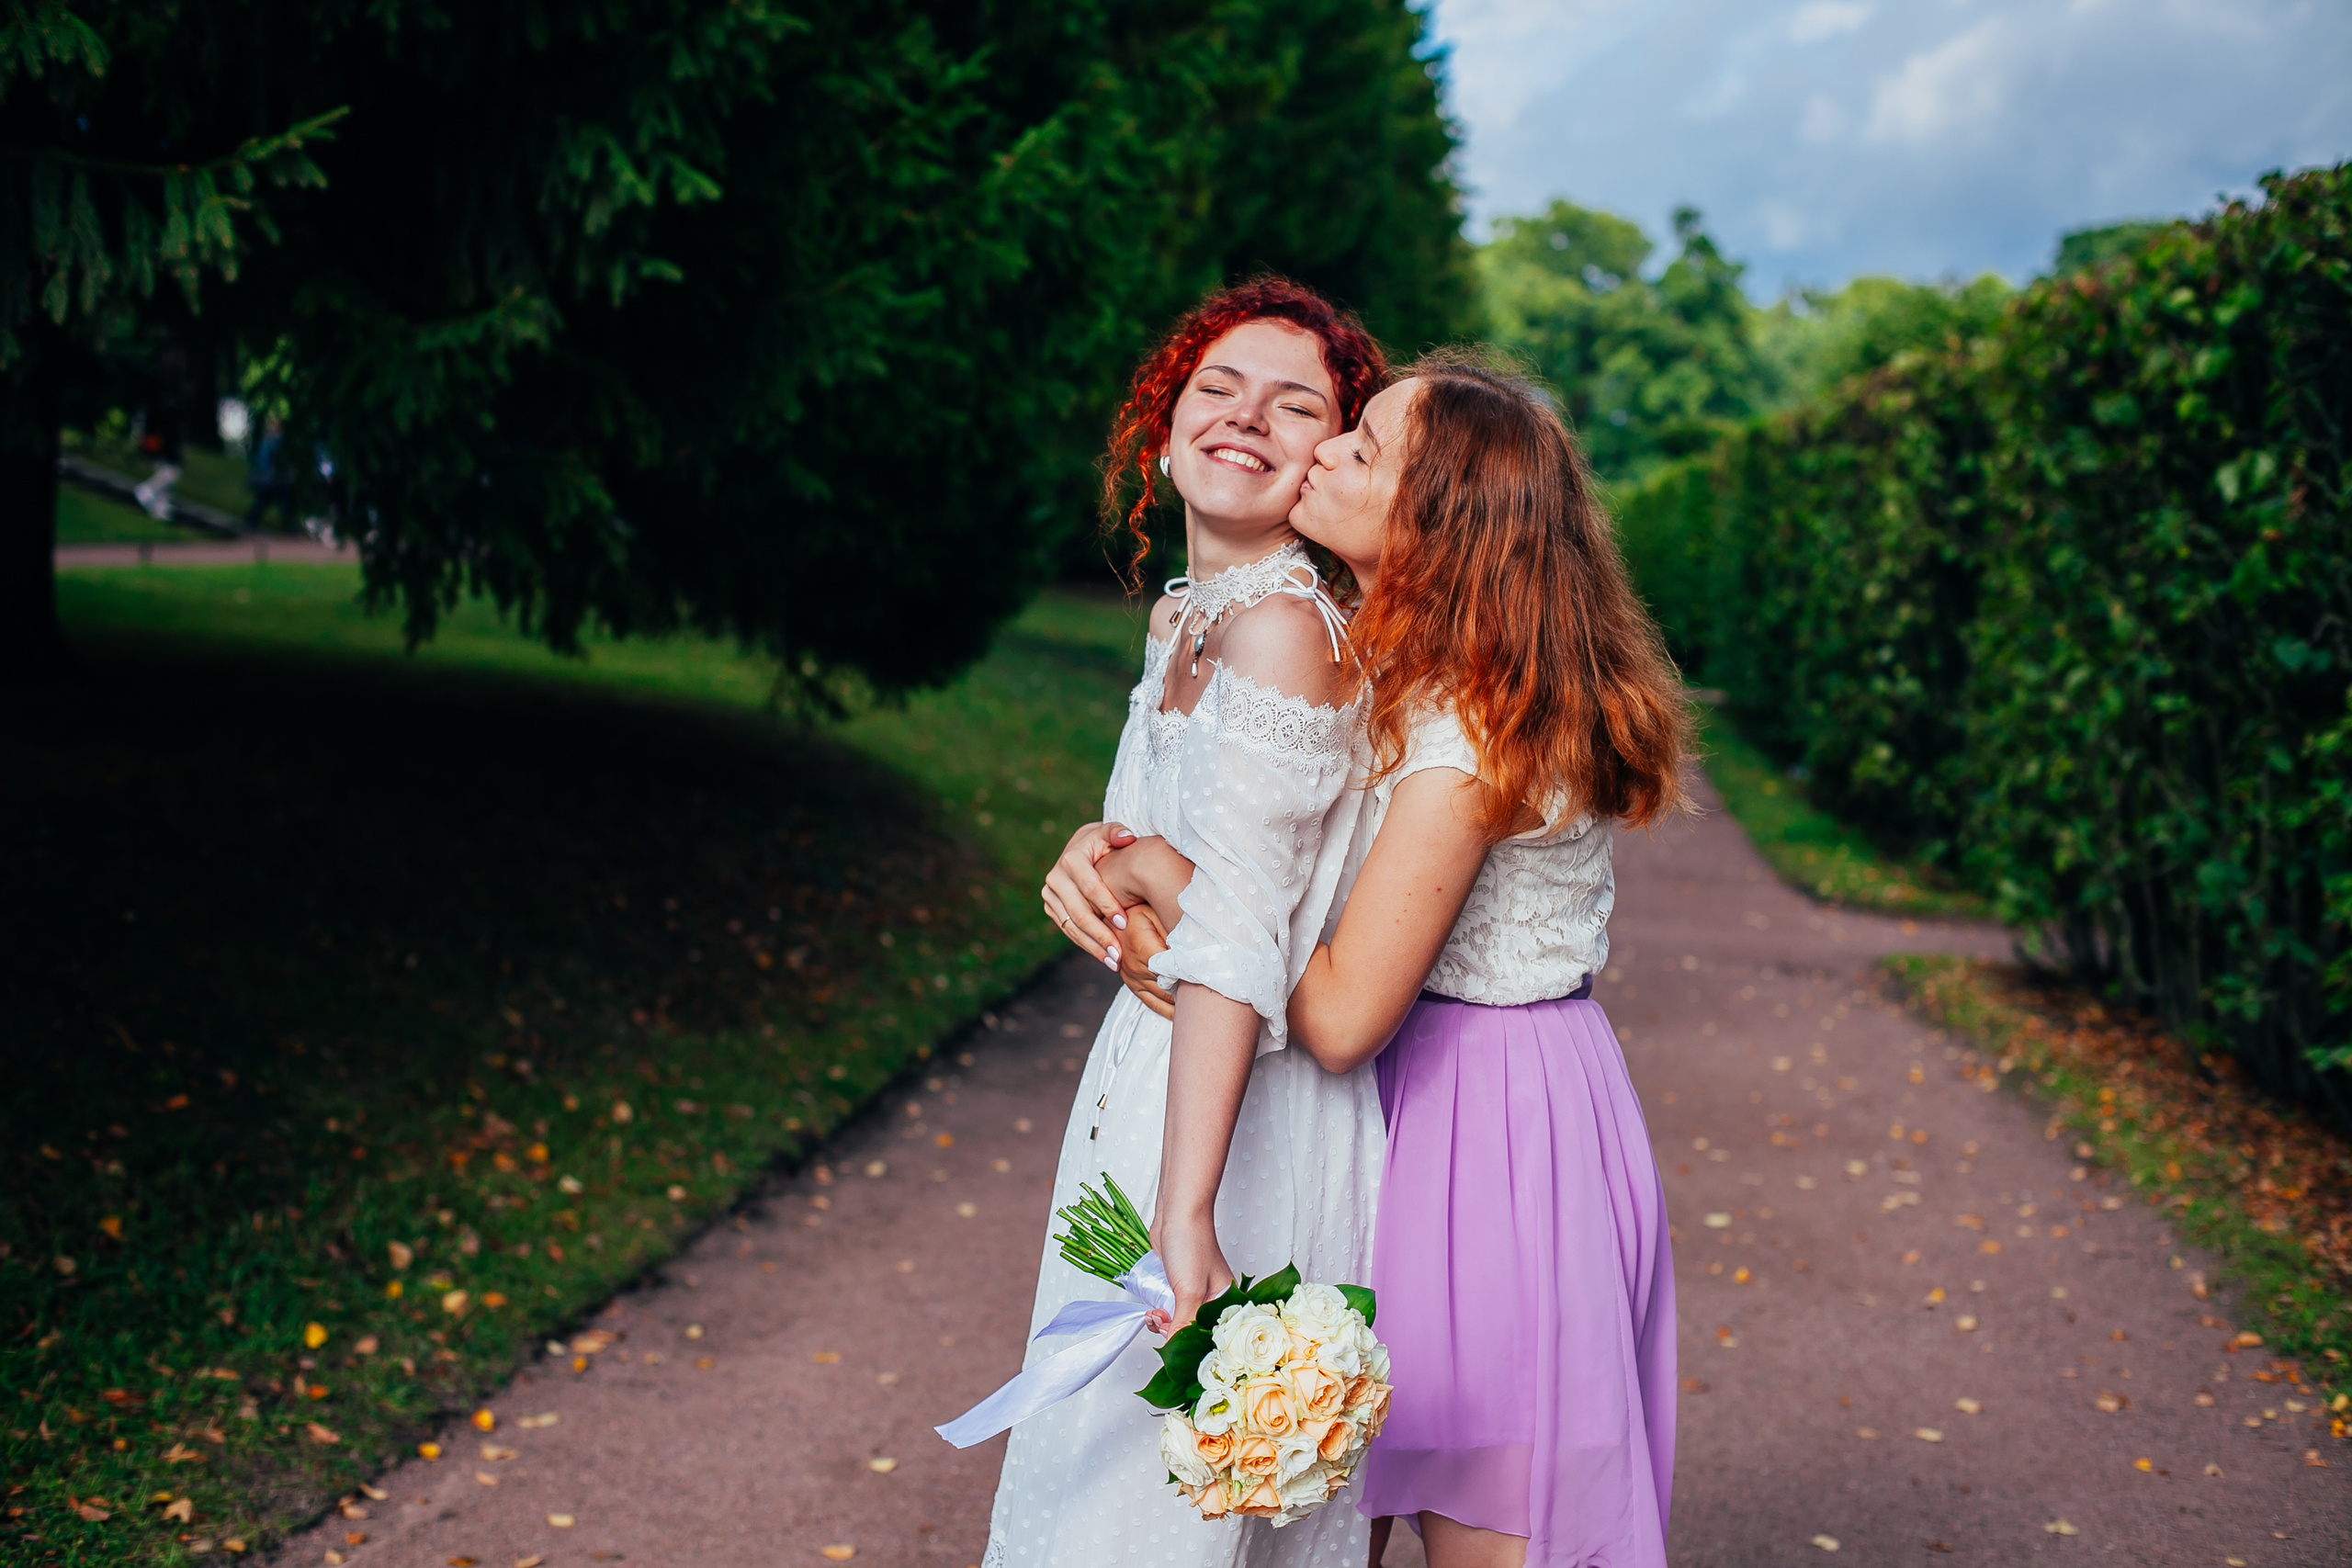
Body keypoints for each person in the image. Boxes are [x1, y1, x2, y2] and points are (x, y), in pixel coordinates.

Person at [1079, 351, 1690, 1567]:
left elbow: (1347, 1012)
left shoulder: (1473, 725)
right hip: (1445, 1109)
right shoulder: (1401, 660)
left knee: (1493, 1528)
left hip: (1499, 1137)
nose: (1322, 453)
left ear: (1434, 526)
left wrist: (1163, 874)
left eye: (1358, 447)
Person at [990, 277, 1390, 1568]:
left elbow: (1231, 945)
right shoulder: (1185, 613)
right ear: (1164, 427)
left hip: (1235, 1118)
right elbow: (1177, 865)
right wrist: (1093, 854)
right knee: (1101, 1488)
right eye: (1218, 387)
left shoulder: (1281, 628)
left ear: (1332, 454)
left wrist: (1190, 1210)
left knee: (1163, 1514)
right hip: (1145, 1085)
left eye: (1296, 405)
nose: (1246, 417)